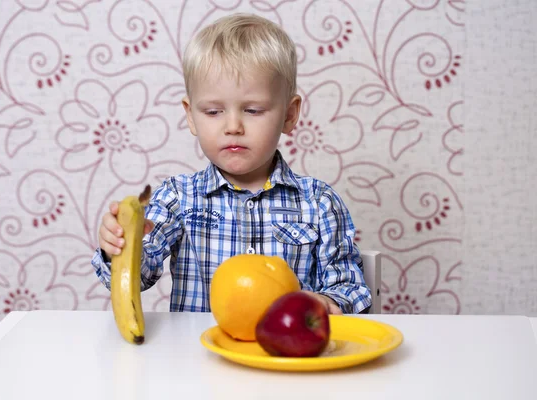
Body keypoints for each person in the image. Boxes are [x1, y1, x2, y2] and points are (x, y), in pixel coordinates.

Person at [91, 13, 371, 314]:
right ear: (191, 115)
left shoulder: (318, 202)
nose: (233, 126)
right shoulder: (177, 198)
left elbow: (351, 288)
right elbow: (139, 277)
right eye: (213, 112)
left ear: (289, 115)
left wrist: (328, 303)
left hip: (286, 354)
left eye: (252, 110)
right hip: (197, 357)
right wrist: (118, 249)